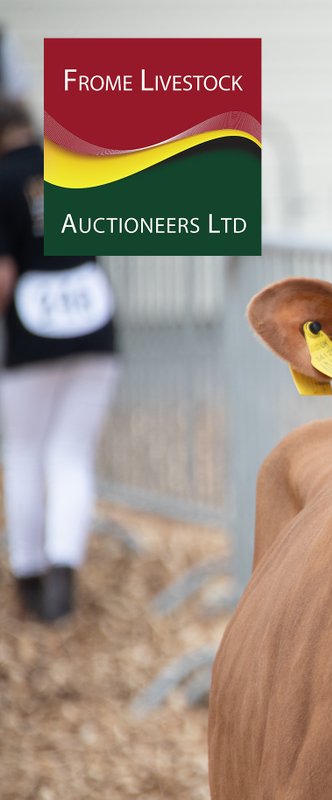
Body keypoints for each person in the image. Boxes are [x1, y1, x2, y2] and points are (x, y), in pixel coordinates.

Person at [0, 99, 119, 622]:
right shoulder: (77, 163)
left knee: (24, 452)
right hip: (95, 331)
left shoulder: (2, 180)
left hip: (30, 338)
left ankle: (28, 576)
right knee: (71, 455)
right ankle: (64, 572)